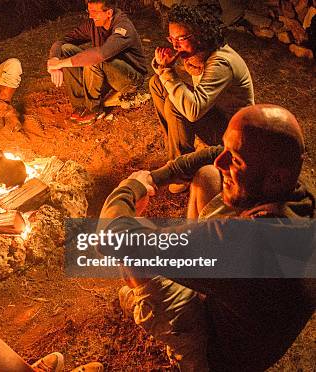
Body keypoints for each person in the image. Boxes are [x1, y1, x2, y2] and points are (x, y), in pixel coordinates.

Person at [99, 104, 314, 371]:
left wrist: (129, 188)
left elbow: (112, 238)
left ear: (276, 178)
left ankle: (183, 351)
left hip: (219, 355)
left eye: (235, 160)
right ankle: (192, 279)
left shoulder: (244, 243)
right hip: (251, 318)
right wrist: (155, 178)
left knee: (133, 248)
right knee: (209, 176)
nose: (220, 160)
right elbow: (211, 155)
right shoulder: (298, 193)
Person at [150, 4, 254, 193]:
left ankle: (183, 173)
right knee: (156, 84)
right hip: (217, 115)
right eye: (171, 38)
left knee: (176, 106)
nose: (174, 45)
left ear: (200, 34)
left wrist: (167, 72)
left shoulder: (220, 63)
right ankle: (177, 153)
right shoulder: (200, 53)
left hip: (236, 133)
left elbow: (193, 110)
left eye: (181, 38)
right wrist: (161, 68)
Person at [47, 0, 147, 125]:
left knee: (95, 59)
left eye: (94, 12)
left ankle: (94, 109)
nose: (90, 16)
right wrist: (54, 59)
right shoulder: (94, 24)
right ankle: (81, 104)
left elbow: (102, 54)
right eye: (89, 11)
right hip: (107, 74)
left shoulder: (123, 27)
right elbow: (61, 42)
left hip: (130, 79)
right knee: (66, 49)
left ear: (109, 13)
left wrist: (62, 64)